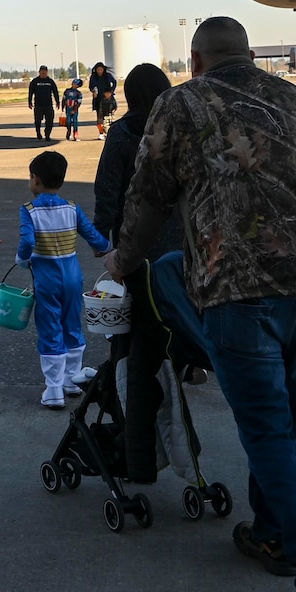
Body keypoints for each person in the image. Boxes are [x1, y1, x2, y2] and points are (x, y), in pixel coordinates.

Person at [103, 17, 296, 592]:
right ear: (248, 53)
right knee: (285, 410)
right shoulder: (293, 97)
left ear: (195, 59)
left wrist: (118, 260)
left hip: (242, 288)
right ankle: (273, 530)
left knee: (268, 430)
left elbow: (146, 199)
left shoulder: (182, 102)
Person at [92, 62, 206, 483]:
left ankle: (138, 447)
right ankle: (188, 361)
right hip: (182, 247)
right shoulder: (185, 128)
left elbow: (108, 189)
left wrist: (109, 245)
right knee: (175, 317)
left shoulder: (123, 133)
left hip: (138, 248)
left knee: (137, 340)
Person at [16, 150, 109, 408]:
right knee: (72, 324)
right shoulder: (72, 208)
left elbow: (27, 242)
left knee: (50, 328)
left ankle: (54, 389)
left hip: (47, 280)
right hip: (72, 277)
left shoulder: (30, 211)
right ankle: (72, 379)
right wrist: (108, 248)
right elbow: (93, 235)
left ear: (35, 179)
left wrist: (22, 259)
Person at [27, 65, 60, 143]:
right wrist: (29, 102)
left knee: (50, 121)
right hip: (38, 105)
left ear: (47, 72)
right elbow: (30, 92)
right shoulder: (35, 81)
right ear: (39, 72)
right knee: (38, 120)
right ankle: (38, 133)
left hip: (48, 104)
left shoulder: (50, 81)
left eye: (45, 73)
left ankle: (47, 134)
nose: (43, 74)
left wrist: (57, 102)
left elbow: (55, 92)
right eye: (42, 73)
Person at [88, 62, 118, 133]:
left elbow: (114, 82)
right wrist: (93, 91)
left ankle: (108, 131)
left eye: (101, 70)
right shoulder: (93, 77)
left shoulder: (107, 76)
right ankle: (101, 132)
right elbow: (90, 86)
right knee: (99, 116)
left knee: (108, 116)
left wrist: (111, 91)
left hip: (107, 98)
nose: (99, 71)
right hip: (97, 98)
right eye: (98, 70)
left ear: (103, 70)